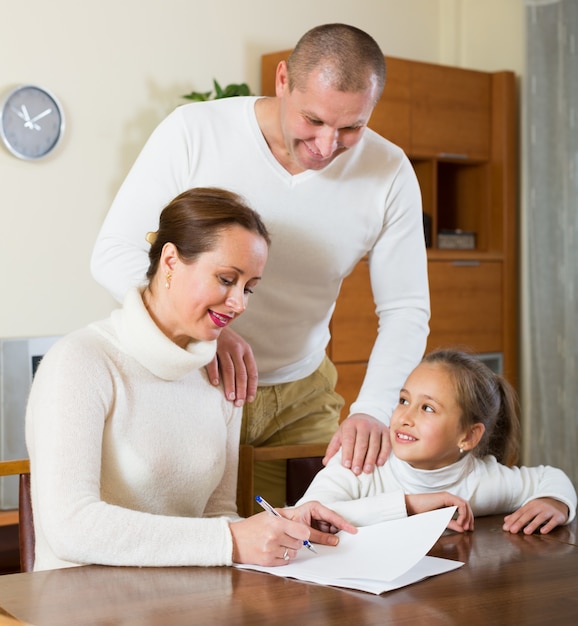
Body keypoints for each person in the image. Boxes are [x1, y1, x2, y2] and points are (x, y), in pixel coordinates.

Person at [90, 23, 430, 509]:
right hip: (186, 380)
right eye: (312, 119)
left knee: (306, 549)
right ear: (283, 80)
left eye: (351, 127)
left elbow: (406, 309)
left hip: (301, 396)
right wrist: (208, 329)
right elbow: (113, 250)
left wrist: (374, 409)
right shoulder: (195, 132)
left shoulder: (389, 171)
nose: (327, 145)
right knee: (188, 549)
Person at [25, 187, 357, 572]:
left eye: (249, 288)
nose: (240, 304)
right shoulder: (81, 361)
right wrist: (230, 540)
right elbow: (70, 527)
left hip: (187, 600)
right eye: (226, 279)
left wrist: (276, 527)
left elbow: (218, 517)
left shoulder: (219, 375)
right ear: (170, 261)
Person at [297, 349, 577, 535]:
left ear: (467, 437)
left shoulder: (482, 480)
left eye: (427, 408)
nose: (404, 417)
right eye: (404, 400)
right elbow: (307, 513)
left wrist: (555, 501)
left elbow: (551, 478)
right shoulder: (362, 461)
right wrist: (410, 505)